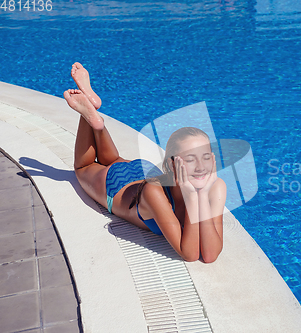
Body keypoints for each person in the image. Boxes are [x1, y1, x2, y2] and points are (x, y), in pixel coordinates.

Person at [64, 62, 226, 263]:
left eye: (206, 157)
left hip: (145, 172)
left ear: (214, 159)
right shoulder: (154, 193)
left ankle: (94, 115)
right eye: (191, 159)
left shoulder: (216, 186)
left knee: (112, 159)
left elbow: (210, 255)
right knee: (83, 167)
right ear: (173, 165)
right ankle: (90, 117)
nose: (201, 166)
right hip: (117, 185)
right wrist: (193, 198)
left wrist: (201, 195)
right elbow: (190, 254)